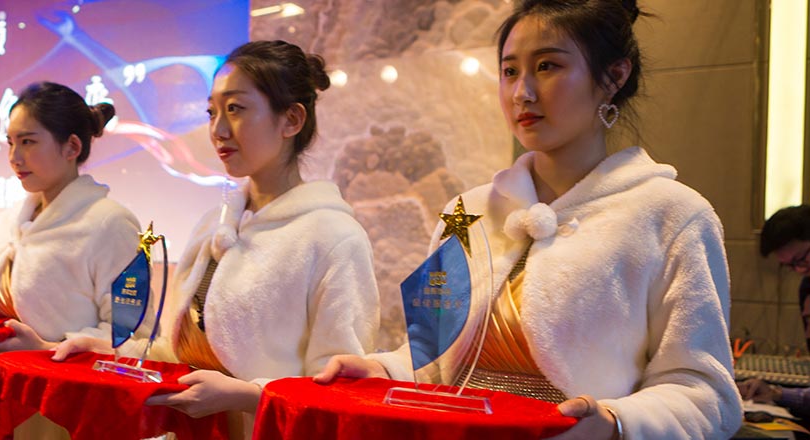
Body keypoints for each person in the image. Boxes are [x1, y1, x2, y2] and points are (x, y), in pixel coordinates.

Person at [315, 1, 741, 438]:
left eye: (547, 66)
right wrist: (383, 370)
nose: (522, 92)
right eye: (509, 71)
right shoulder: (466, 213)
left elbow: (705, 393)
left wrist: (615, 422)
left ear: (614, 76)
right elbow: (430, 355)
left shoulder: (672, 216)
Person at [55, 40, 380, 438]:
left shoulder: (334, 237)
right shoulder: (215, 225)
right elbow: (181, 352)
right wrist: (112, 352)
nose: (218, 130)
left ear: (292, 120)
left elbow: (341, 391)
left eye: (236, 109)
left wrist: (247, 397)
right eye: (212, 112)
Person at [0, 82, 141, 438]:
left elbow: (133, 337)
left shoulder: (109, 223)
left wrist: (45, 351)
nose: (14, 157)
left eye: (28, 141)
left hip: (71, 410)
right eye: (10, 142)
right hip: (3, 397)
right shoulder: (6, 223)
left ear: (72, 147)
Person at [738, 205, 810, 419]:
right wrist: (776, 393)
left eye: (801, 260)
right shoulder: (806, 287)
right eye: (790, 266)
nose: (800, 271)